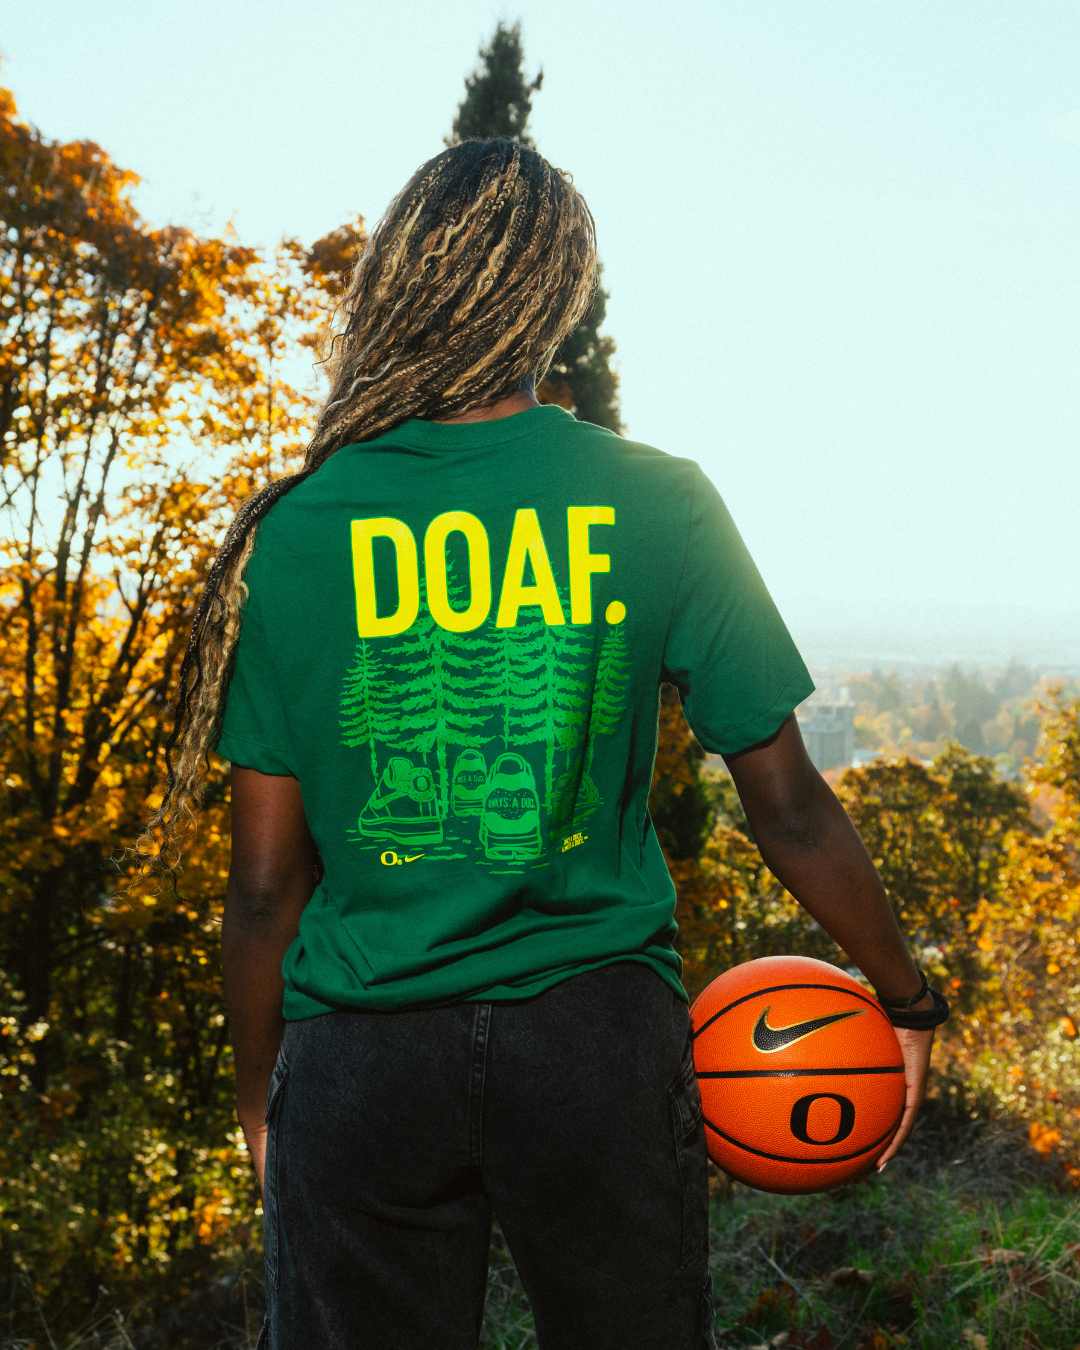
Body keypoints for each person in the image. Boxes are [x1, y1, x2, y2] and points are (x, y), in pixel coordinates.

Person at [148, 140, 948, 1350]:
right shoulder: (659, 498)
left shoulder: (303, 527)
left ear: (394, 286)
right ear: (564, 294)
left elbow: (265, 890)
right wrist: (908, 997)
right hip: (595, 1045)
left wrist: (266, 1103)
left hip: (362, 1051)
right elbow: (786, 806)